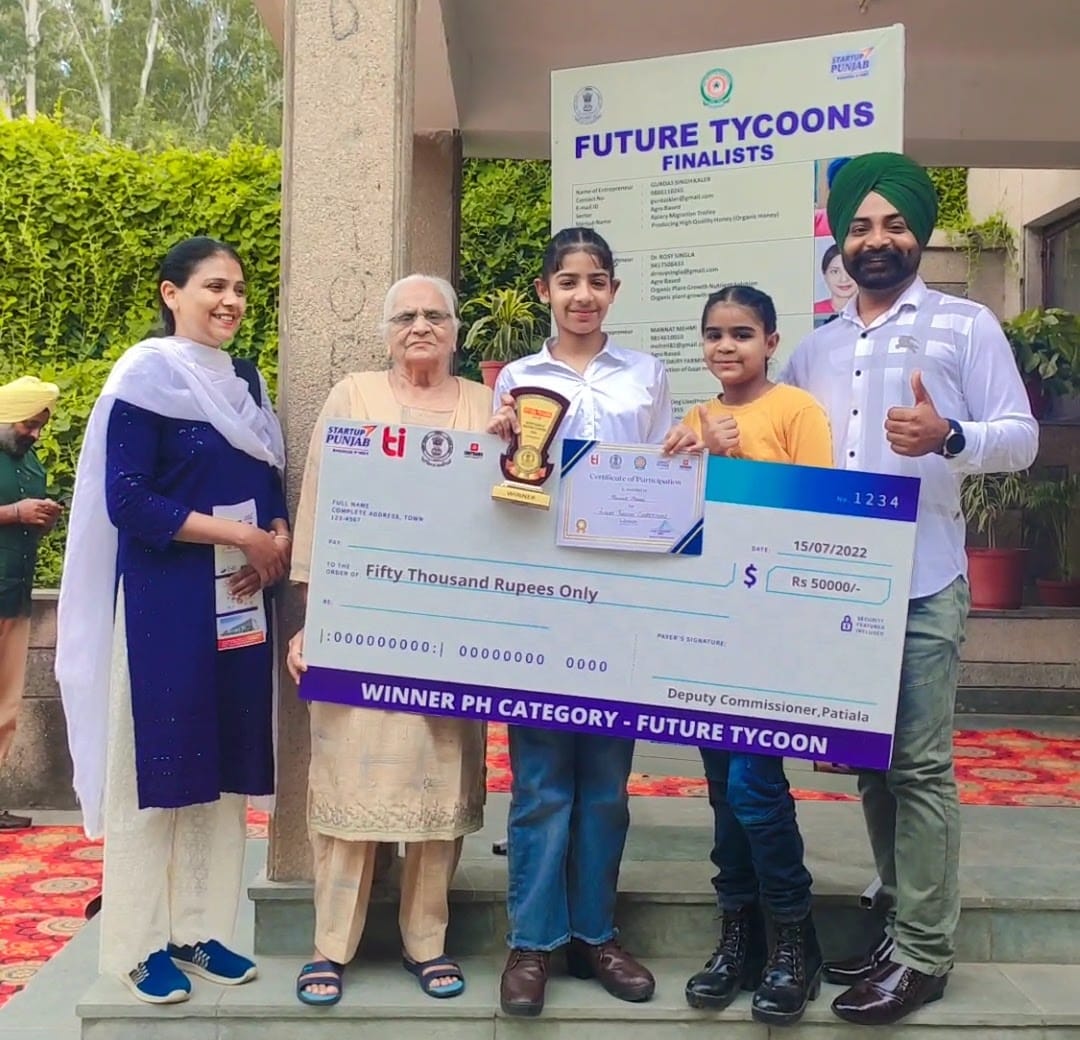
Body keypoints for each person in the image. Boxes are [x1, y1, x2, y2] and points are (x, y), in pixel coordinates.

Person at [780, 152, 1038, 1027]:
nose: (876, 239)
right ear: (840, 238)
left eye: (893, 225)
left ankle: (926, 951)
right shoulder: (815, 347)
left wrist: (950, 433)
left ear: (919, 234)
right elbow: (785, 451)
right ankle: (897, 908)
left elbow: (1022, 438)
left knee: (921, 766)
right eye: (860, 226)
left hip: (924, 580)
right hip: (836, 589)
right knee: (869, 763)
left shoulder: (966, 326)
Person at [56, 236, 289, 1005]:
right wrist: (238, 536)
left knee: (219, 769)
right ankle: (138, 943)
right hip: (164, 605)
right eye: (213, 287)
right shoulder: (145, 377)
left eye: (240, 290)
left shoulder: (247, 379)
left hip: (237, 602)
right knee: (154, 771)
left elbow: (265, 480)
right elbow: (129, 502)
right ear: (170, 293)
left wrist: (276, 539)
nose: (230, 301)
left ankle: (198, 928)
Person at [285, 274, 489, 1007]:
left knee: (437, 778)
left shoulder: (483, 404)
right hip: (361, 624)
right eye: (405, 315)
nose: (421, 327)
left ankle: (425, 942)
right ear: (385, 329)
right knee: (349, 784)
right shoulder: (352, 397)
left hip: (450, 631)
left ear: (457, 330)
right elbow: (321, 502)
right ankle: (329, 946)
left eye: (436, 315)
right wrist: (316, 617)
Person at [488, 227, 672, 1018]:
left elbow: (670, 474)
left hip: (623, 596)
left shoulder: (647, 375)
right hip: (540, 599)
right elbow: (491, 489)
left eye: (597, 280)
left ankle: (596, 933)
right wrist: (487, 443)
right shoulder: (514, 380)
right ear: (545, 291)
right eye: (568, 280)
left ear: (614, 292)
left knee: (604, 785)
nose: (584, 294)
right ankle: (532, 943)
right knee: (537, 784)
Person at [662, 285, 831, 1026]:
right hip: (712, 628)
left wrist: (737, 458)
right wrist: (690, 462)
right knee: (724, 788)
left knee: (759, 789)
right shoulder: (693, 420)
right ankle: (739, 936)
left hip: (775, 628)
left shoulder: (797, 411)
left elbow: (818, 511)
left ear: (770, 341)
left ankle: (794, 937)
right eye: (713, 335)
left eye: (741, 334)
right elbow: (673, 525)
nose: (726, 347)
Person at [0, 376, 61, 830]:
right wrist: (14, 513)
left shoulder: (29, 460)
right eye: (29, 424)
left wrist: (42, 515)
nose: (36, 433)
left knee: (6, 706)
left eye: (41, 425)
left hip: (14, 595)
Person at [815, 244, 858, 315]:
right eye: (835, 271)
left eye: (849, 270)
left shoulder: (874, 311)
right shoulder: (814, 309)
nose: (844, 279)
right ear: (824, 274)